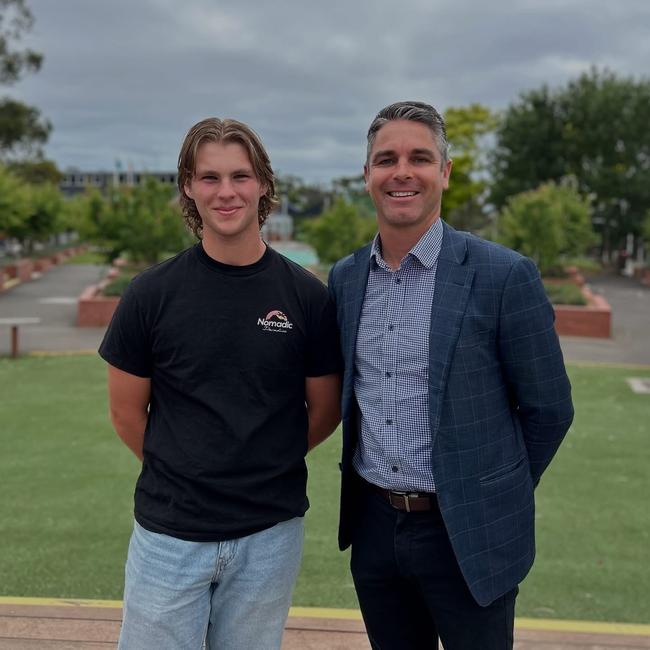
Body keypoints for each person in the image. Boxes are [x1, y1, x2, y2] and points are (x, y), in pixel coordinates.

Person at [328, 101, 574, 649]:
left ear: (445, 171)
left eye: (420, 157)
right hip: (375, 528)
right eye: (385, 159)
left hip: (470, 532)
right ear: (367, 173)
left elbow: (549, 409)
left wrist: (489, 489)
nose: (402, 172)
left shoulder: (503, 275)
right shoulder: (346, 278)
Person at [100, 117, 341, 650]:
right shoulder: (150, 295)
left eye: (240, 175)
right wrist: (187, 466)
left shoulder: (307, 298)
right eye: (210, 177)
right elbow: (124, 413)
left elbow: (325, 410)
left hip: (269, 536)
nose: (226, 191)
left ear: (262, 184)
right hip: (168, 535)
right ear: (188, 185)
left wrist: (261, 460)